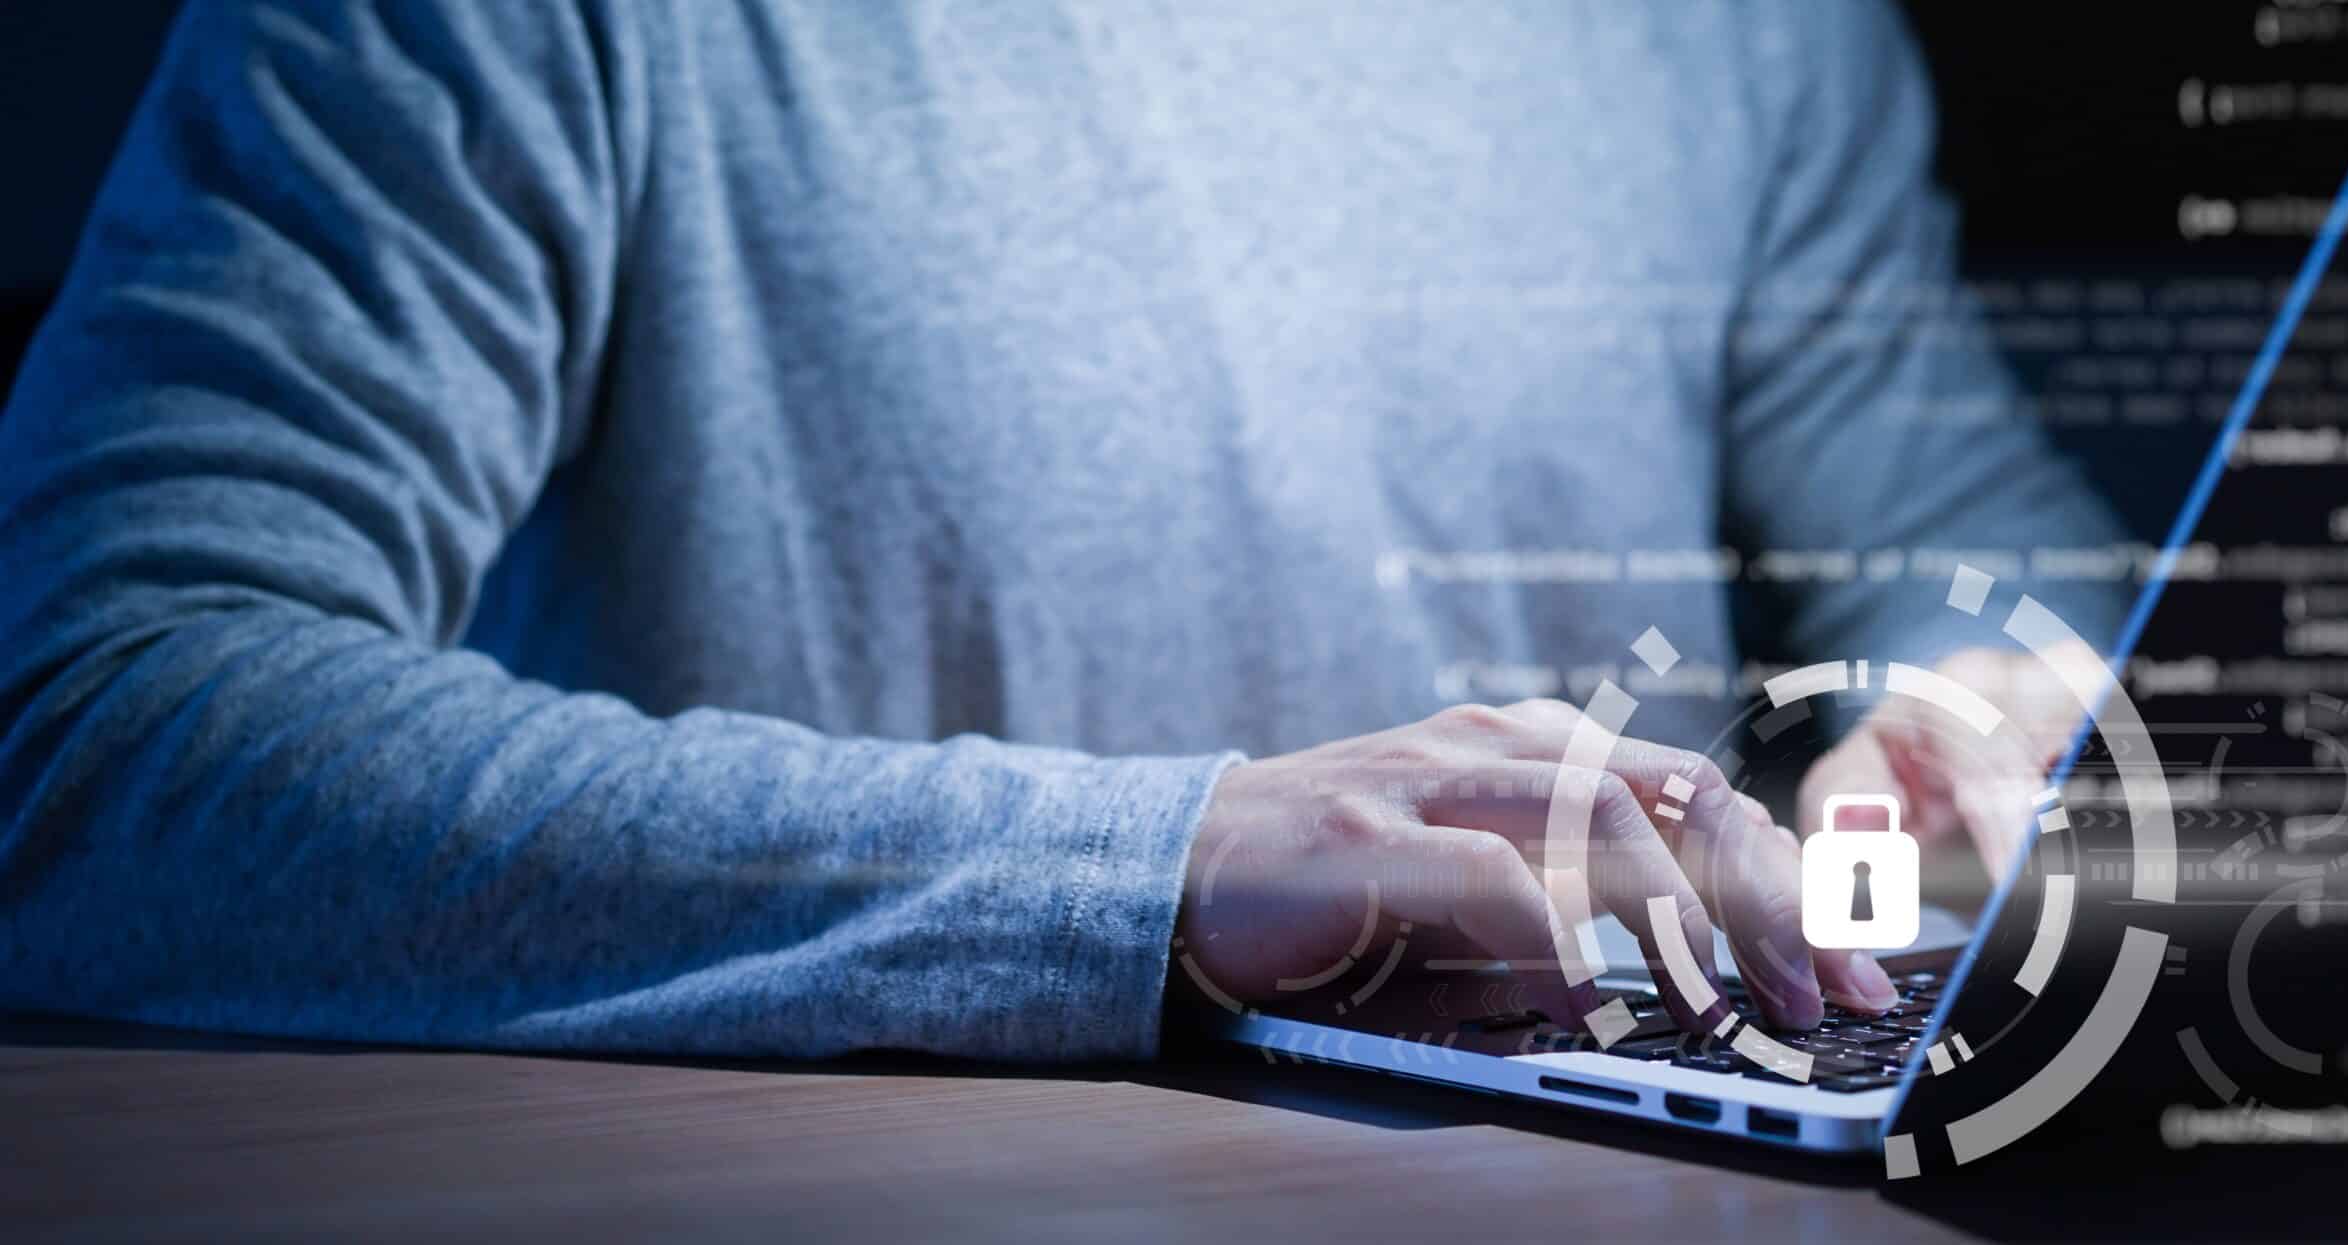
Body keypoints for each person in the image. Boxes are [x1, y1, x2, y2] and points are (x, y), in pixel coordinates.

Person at [0, 0, 2122, 1059]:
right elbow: (89, 728)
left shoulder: (1748, 31)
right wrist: (1148, 867)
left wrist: (1990, 697)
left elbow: (1975, 543)